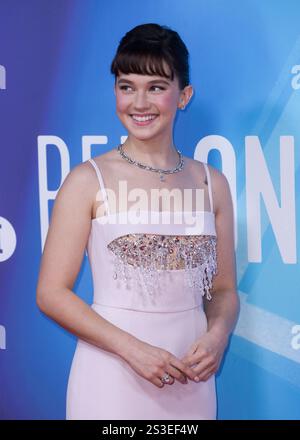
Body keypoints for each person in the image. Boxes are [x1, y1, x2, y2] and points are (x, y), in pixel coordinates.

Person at [36, 23, 239, 420]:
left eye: (156, 87)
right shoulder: (86, 180)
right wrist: (132, 350)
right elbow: (51, 293)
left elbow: (225, 290)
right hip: (111, 375)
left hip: (192, 379)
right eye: (126, 86)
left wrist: (216, 337)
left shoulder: (212, 183)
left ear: (184, 96)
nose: (139, 102)